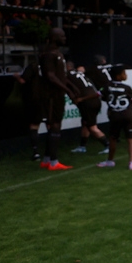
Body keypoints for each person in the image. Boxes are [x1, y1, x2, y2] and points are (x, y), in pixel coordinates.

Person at [36, 27, 77, 170]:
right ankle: (53, 162)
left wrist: (71, 86)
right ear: (54, 38)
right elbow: (51, 76)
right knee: (54, 125)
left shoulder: (58, 53)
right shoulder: (48, 54)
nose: (64, 38)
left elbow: (61, 75)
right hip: (51, 95)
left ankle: (47, 159)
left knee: (55, 124)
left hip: (57, 94)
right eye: (62, 36)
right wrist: (67, 90)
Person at [98, 65, 132, 170]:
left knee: (113, 138)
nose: (125, 75)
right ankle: (131, 162)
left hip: (114, 115)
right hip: (128, 115)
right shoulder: (127, 88)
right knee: (130, 139)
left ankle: (110, 160)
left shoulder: (107, 86)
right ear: (118, 75)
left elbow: (100, 95)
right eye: (124, 73)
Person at [66, 62, 110, 154]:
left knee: (92, 127)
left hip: (87, 101)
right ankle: (82, 146)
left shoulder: (67, 75)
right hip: (95, 99)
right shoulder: (80, 73)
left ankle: (108, 145)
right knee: (85, 123)